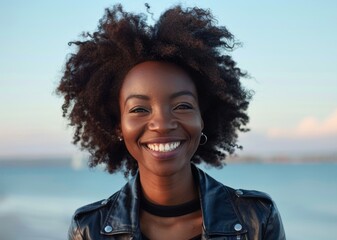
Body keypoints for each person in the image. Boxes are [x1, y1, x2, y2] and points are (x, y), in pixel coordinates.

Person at [57, 3, 285, 240]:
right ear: (118, 125)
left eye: (182, 106)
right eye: (139, 109)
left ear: (202, 117)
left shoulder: (258, 218)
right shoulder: (88, 229)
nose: (162, 123)